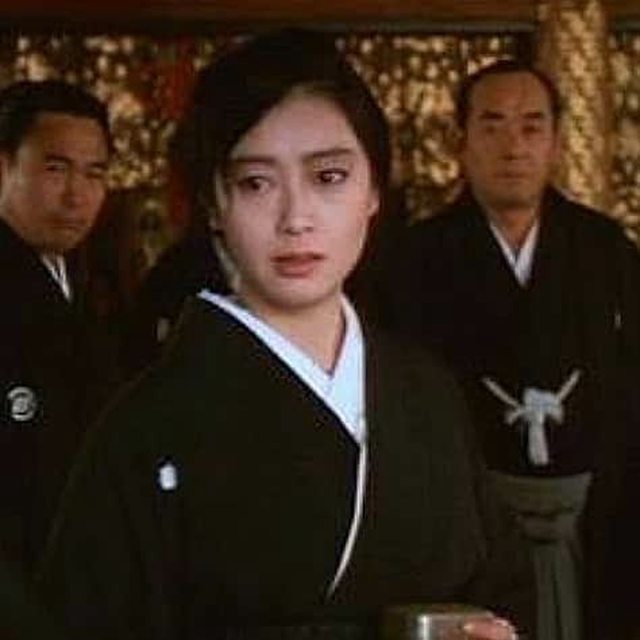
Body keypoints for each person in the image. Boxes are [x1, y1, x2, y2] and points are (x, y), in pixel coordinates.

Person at [38, 30, 529, 640]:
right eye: (256, 183)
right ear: (213, 205)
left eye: (329, 177)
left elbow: (499, 580)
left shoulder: (423, 391)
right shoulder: (148, 425)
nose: (296, 218)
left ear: (374, 191)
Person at [360, 60, 640, 640]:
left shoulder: (604, 250)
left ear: (557, 141)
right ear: (459, 141)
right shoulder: (414, 260)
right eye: (492, 125)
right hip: (467, 521)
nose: (514, 146)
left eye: (532, 126)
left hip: (599, 519)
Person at [0, 79, 116, 574]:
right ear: (4, 166)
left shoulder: (84, 274)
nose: (77, 196)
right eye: (56, 169)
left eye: (94, 174)